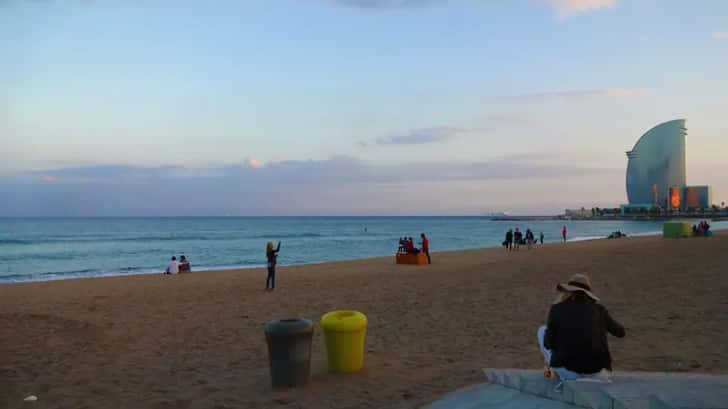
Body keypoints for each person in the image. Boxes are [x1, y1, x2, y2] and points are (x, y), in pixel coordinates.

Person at [537, 273, 625, 382]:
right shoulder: (599, 310)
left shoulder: (557, 309)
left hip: (568, 371)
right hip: (598, 373)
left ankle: (553, 371)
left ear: (569, 291)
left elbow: (548, 344)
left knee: (542, 330)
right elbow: (621, 333)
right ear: (588, 294)